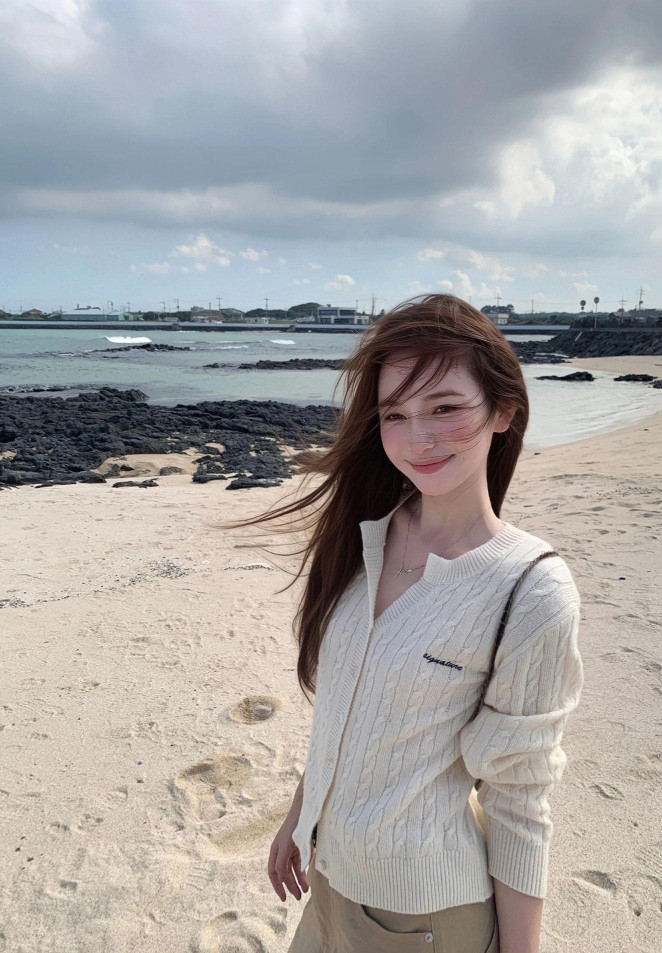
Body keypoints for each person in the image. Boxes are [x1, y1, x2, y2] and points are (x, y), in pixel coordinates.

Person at [225, 293, 584, 952]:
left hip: (422, 917)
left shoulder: (530, 589)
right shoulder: (363, 539)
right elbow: (346, 712)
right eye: (395, 413)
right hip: (327, 882)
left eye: (445, 408)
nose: (418, 437)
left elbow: (520, 800)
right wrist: (300, 815)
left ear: (503, 410)